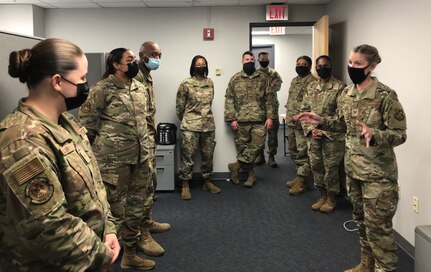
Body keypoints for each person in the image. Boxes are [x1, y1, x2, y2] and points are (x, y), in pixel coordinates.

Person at [0, 38, 120, 271]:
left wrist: (109, 229)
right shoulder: (23, 141)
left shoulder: (65, 123)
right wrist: (100, 256)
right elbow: (48, 225)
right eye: (82, 78)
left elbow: (95, 185)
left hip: (88, 255)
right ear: (57, 82)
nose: (87, 85)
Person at [296, 44, 407, 272]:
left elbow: (400, 135)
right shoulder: (347, 93)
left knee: (379, 228)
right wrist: (321, 120)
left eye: (358, 64)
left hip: (378, 177)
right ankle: (367, 264)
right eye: (350, 63)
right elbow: (341, 124)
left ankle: (385, 268)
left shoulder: (385, 95)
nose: (352, 67)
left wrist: (374, 133)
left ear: (372, 66)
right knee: (361, 222)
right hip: (353, 170)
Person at [78, 48, 157, 270]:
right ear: (116, 64)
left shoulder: (140, 87)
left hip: (140, 158)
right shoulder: (102, 89)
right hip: (113, 161)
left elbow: (146, 121)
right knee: (114, 210)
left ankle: (130, 253)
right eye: (129, 60)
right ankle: (109, 255)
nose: (133, 63)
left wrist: (149, 150)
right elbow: (88, 126)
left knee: (137, 207)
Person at [135, 41, 171, 241]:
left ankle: (146, 220)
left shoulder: (147, 77)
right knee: (141, 186)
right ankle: (139, 233)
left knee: (150, 182)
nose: (158, 58)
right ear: (142, 55)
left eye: (160, 54)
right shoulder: (136, 78)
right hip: (139, 140)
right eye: (154, 54)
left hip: (148, 136)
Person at [300, 55, 346, 213]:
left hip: (332, 137)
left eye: (325, 65)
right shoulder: (311, 87)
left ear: (331, 66)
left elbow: (342, 116)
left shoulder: (340, 88)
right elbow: (304, 112)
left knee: (331, 169)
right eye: (319, 66)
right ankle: (322, 195)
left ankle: (332, 198)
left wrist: (323, 129)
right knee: (316, 166)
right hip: (313, 136)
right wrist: (312, 129)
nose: (321, 68)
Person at [224, 51, 275, 188]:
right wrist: (231, 118)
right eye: (247, 59)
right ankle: (251, 175)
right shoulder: (235, 79)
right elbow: (229, 99)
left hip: (259, 119)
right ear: (242, 61)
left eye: (252, 59)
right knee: (243, 148)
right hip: (240, 120)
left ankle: (235, 166)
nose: (250, 61)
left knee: (257, 147)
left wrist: (270, 117)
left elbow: (269, 99)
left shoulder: (263, 78)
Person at [176, 55, 219, 200]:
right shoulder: (186, 83)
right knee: (187, 157)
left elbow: (209, 103)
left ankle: (207, 181)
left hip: (208, 125)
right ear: (193, 66)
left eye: (203, 64)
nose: (201, 66)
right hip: (190, 126)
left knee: (208, 156)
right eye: (198, 64)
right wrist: (188, 120)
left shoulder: (210, 83)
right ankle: (185, 184)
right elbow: (180, 107)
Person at [285, 55, 316, 195]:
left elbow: (313, 105)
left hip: (304, 124)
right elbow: (291, 100)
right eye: (298, 63)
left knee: (304, 152)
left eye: (304, 64)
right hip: (292, 123)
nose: (300, 66)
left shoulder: (313, 83)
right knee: (294, 151)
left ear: (309, 67)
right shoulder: (294, 81)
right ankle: (299, 176)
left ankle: (303, 182)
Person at [254, 51, 283, 168]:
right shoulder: (255, 73)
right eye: (262, 59)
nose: (264, 61)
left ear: (269, 59)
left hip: (272, 107)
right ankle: (260, 156)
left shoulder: (274, 73)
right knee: (259, 134)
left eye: (266, 59)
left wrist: (265, 89)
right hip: (259, 108)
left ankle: (272, 157)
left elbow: (277, 87)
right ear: (258, 59)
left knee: (273, 135)